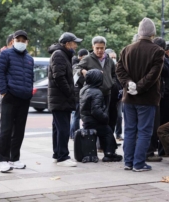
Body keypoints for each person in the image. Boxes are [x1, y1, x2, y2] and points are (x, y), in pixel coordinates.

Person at [116, 17, 164, 172]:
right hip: (147, 98)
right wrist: (139, 87)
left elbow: (119, 70)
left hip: (128, 98)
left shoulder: (127, 49)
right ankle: (139, 163)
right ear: (153, 33)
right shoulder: (157, 51)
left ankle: (128, 162)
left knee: (129, 130)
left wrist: (128, 83)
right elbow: (153, 74)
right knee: (144, 131)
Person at [0, 30, 34, 172]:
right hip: (10, 96)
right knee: (6, 129)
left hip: (24, 97)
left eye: (24, 40)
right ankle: (1, 160)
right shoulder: (5, 54)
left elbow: (31, 77)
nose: (21, 42)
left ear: (27, 42)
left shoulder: (30, 58)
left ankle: (14, 158)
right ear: (13, 40)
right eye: (18, 40)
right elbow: (0, 73)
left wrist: (29, 92)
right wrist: (4, 91)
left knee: (19, 130)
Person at [48, 32, 82, 167]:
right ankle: (63, 156)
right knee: (63, 128)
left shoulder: (62, 54)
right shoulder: (59, 55)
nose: (76, 45)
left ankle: (57, 154)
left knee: (58, 127)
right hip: (61, 99)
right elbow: (59, 77)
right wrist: (70, 92)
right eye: (74, 43)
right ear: (67, 44)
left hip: (60, 99)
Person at [147, 37, 169, 161]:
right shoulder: (160, 58)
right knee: (164, 123)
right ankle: (161, 150)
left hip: (162, 94)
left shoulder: (155, 57)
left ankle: (159, 149)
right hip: (165, 95)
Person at [79, 69, 123, 162]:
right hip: (94, 121)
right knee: (107, 132)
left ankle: (109, 153)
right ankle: (109, 154)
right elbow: (96, 110)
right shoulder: (96, 92)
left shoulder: (84, 89)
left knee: (105, 131)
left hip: (86, 120)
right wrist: (105, 118)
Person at [77, 36, 116, 113]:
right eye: (97, 48)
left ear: (105, 47)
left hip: (107, 93)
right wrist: (82, 71)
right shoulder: (87, 59)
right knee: (94, 116)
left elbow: (114, 74)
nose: (99, 50)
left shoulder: (109, 60)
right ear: (93, 47)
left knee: (106, 116)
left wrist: (111, 83)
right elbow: (75, 68)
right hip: (92, 94)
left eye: (102, 48)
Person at [0, 33, 14, 140]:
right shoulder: (3, 54)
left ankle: (4, 144)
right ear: (11, 42)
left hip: (7, 92)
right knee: (2, 121)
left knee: (5, 120)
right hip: (2, 93)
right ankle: (1, 144)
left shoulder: (9, 54)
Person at [70, 48, 89, 139]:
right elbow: (82, 80)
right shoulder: (77, 66)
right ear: (81, 57)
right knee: (76, 116)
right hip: (77, 94)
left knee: (75, 115)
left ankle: (72, 133)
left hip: (75, 93)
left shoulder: (74, 64)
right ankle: (75, 134)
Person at [105, 48, 123, 140]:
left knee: (119, 116)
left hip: (119, 96)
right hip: (109, 96)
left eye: (115, 57)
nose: (114, 59)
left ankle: (118, 134)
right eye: (112, 57)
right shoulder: (107, 68)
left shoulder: (119, 67)